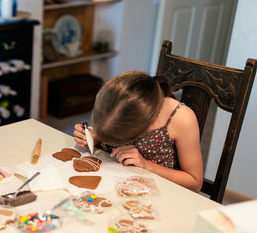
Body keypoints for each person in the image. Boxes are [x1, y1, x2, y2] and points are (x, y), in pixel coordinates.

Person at [73, 71, 203, 192]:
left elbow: (195, 183)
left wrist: (146, 165)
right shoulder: (116, 98)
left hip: (155, 194)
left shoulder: (181, 118)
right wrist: (95, 138)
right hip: (111, 182)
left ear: (147, 124)